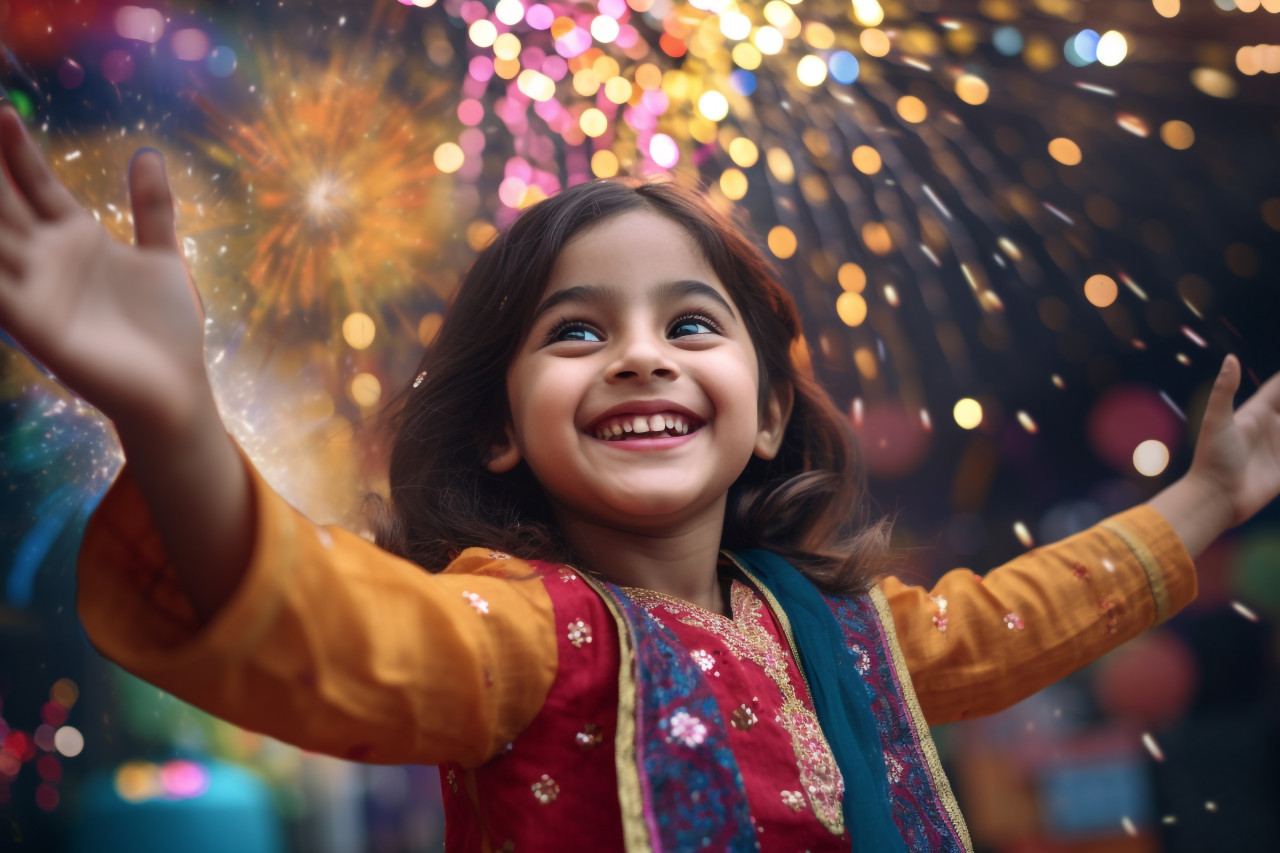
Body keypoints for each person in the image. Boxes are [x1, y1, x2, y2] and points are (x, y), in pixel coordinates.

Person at [1, 102, 1277, 852]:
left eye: (687, 325)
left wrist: (1206, 499)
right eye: (574, 332)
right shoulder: (517, 634)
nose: (636, 360)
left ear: (769, 409)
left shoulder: (837, 634)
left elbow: (1018, 620)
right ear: (500, 428)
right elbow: (328, 621)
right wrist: (173, 420)